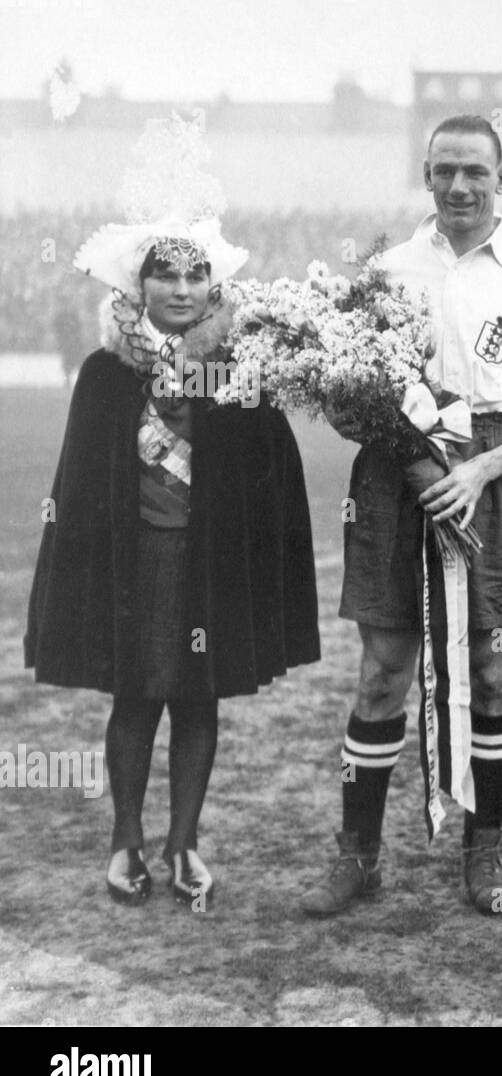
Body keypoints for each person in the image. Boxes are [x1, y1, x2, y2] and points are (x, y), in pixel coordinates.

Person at [25, 115, 320, 909]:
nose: (181, 290)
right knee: (136, 696)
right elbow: (77, 487)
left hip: (207, 555)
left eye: (195, 278)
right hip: (136, 556)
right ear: (140, 283)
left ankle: (183, 841)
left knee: (198, 696)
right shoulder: (104, 372)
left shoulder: (237, 366)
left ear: (211, 286)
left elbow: (272, 465)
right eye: (166, 276)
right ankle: (127, 839)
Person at [299, 114, 502, 917]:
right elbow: (349, 401)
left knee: (489, 664)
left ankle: (482, 848)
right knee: (384, 666)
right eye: (445, 170)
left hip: (499, 472)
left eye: (476, 171)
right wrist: (407, 446)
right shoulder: (385, 273)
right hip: (395, 475)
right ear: (426, 176)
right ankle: (359, 855)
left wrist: (481, 470)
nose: (460, 186)